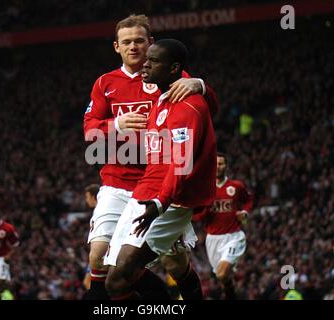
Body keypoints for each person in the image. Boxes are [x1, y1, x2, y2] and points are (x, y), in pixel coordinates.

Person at [84, 14, 219, 300]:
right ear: (116, 47)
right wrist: (117, 125)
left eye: (139, 41)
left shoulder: (174, 77)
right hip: (119, 181)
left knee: (173, 263)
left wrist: (202, 86)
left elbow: (208, 111)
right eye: (126, 42)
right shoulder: (105, 83)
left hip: (162, 182)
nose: (133, 47)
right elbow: (89, 132)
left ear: (150, 43)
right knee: (100, 257)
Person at [193, 153, 253, 299]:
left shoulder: (236, 186)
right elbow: (196, 216)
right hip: (212, 239)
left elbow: (248, 199)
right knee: (222, 278)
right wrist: (206, 208)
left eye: (221, 164)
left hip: (233, 236)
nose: (218, 167)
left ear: (226, 166)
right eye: (216, 164)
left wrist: (245, 212)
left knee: (222, 273)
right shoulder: (204, 190)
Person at [82, 184, 99, 292]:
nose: (86, 200)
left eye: (87, 197)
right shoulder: (96, 212)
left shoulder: (101, 212)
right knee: (87, 282)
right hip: (95, 253)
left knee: (89, 282)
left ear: (94, 197)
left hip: (101, 253)